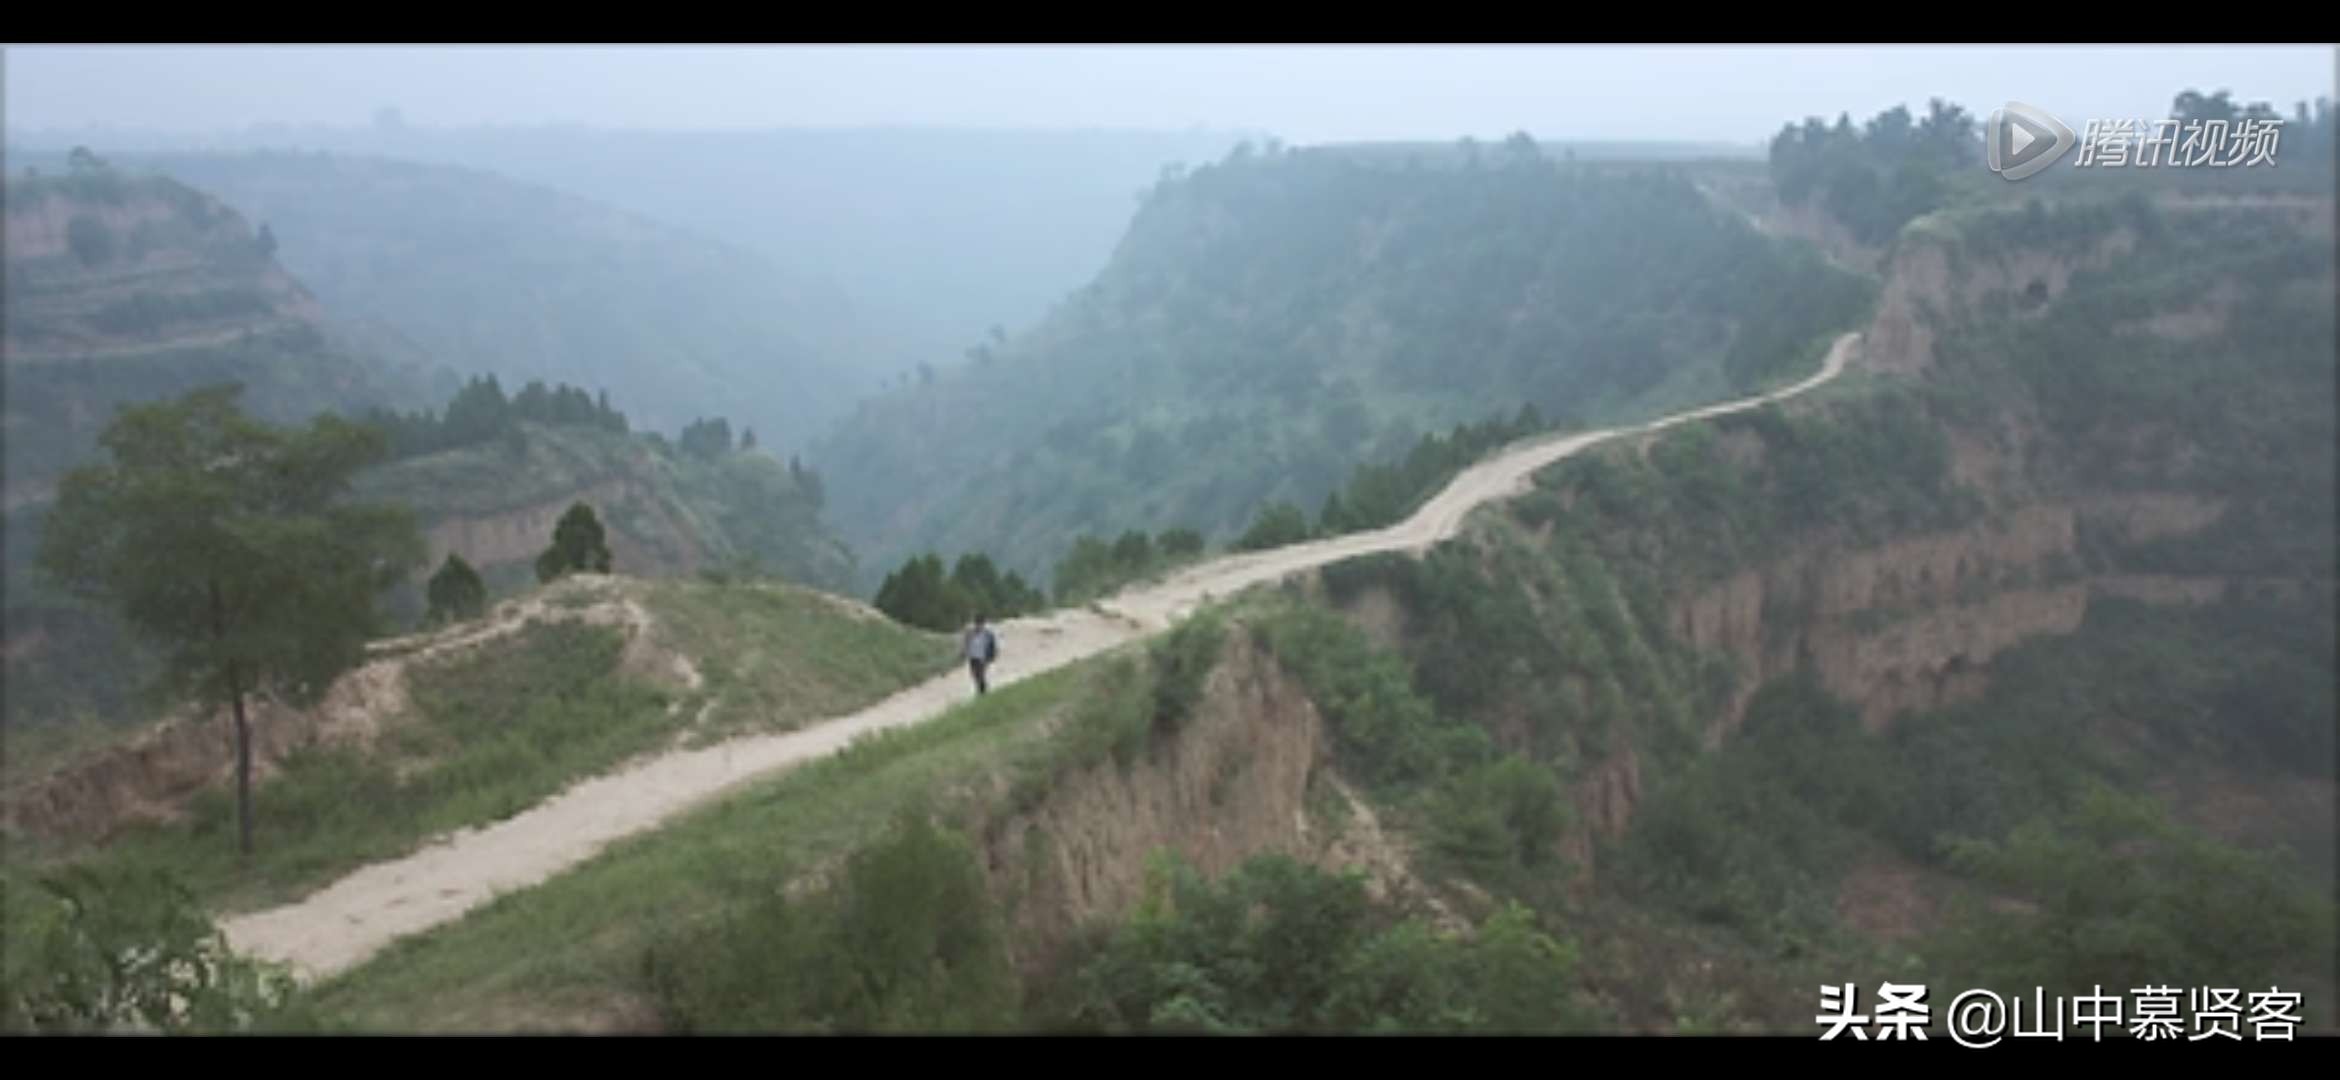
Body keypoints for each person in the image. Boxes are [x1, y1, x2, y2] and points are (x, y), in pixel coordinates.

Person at [961, 614, 999, 695]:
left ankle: (982, 691)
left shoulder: (988, 634)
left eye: (981, 624)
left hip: (983, 657)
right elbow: (966, 643)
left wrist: (992, 657)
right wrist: (965, 653)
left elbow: (993, 645)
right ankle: (980, 689)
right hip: (973, 657)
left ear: (983, 624)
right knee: (974, 674)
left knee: (981, 674)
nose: (979, 626)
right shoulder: (970, 633)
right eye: (977, 624)